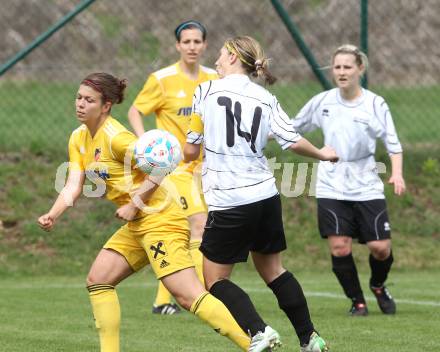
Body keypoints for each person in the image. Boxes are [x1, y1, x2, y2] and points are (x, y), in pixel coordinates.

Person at [37, 72, 251, 352]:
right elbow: (73, 184)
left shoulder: (118, 139)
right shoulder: (78, 138)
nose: (80, 104)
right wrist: (53, 213)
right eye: (79, 97)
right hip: (139, 224)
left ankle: (252, 344)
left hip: (161, 219)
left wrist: (134, 204)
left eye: (89, 100)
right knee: (99, 279)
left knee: (187, 296)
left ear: (106, 106)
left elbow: (163, 164)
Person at [184, 36, 336, 352]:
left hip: (230, 199)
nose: (215, 61)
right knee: (273, 270)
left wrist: (169, 150)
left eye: (220, 55)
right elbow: (292, 140)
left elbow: (190, 149)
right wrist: (322, 154)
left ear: (231, 56)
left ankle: (259, 330)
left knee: (213, 279)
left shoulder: (205, 90)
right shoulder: (265, 98)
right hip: (265, 197)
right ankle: (310, 338)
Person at [291, 44, 406, 316]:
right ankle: (357, 301)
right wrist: (259, 133)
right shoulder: (323, 102)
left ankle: (378, 285)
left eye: (347, 67)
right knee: (340, 247)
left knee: (380, 248)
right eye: (337, 67)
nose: (341, 72)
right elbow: (293, 128)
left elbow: (393, 143)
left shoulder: (375, 103)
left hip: (366, 182)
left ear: (360, 69)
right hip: (332, 181)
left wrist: (397, 172)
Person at [128, 20, 217, 315]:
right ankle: (199, 296)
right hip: (176, 169)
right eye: (186, 42)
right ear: (177, 46)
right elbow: (135, 111)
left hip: (209, 168)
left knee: (189, 230)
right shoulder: (162, 78)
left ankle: (165, 300)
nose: (192, 46)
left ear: (205, 45)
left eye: (197, 42)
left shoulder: (215, 78)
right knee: (198, 224)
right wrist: (147, 146)